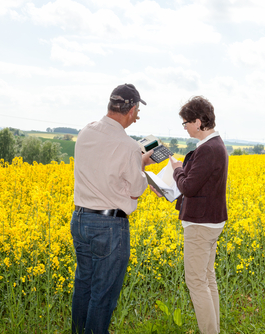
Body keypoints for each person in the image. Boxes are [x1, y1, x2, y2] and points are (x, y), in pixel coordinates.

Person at [70, 83, 155, 334]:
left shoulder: (86, 131)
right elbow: (136, 188)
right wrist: (141, 164)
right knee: (103, 294)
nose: (136, 117)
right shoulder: (128, 145)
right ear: (131, 110)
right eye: (137, 111)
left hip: (81, 219)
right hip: (109, 227)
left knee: (83, 285)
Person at [152, 96, 229, 334]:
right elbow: (197, 186)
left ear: (198, 122)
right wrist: (169, 187)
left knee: (196, 282)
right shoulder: (215, 146)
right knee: (207, 279)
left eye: (185, 122)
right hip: (211, 221)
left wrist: (176, 170)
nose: (184, 127)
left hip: (200, 224)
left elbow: (189, 187)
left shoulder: (208, 149)